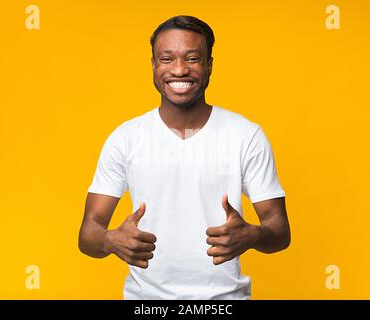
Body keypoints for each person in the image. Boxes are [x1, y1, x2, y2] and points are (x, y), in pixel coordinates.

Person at [78, 15, 291, 300]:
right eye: (167, 59)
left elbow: (279, 230)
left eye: (192, 58)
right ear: (154, 65)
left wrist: (252, 235)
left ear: (209, 66)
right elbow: (88, 233)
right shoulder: (125, 138)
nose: (179, 70)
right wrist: (109, 240)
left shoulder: (245, 135)